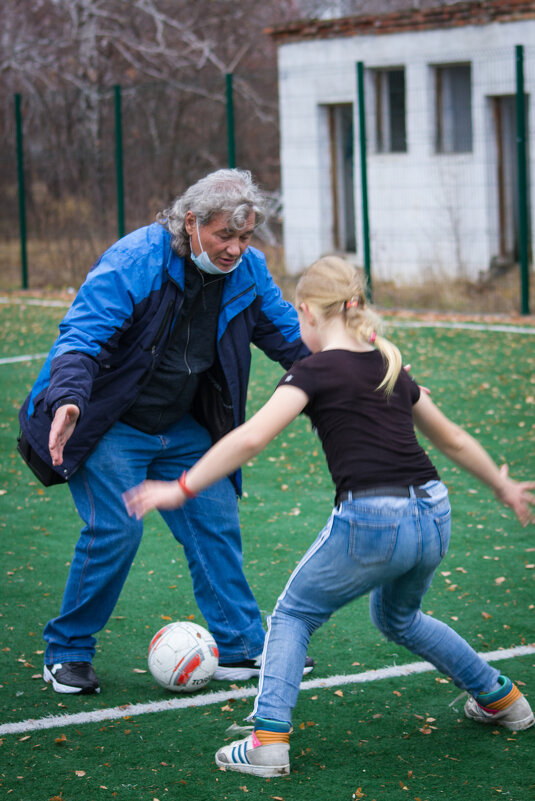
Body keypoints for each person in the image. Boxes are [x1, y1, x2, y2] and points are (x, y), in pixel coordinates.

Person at [124, 255, 535, 777]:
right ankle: (503, 699)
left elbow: (251, 437)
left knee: (293, 615)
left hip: (374, 518)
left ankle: (267, 742)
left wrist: (181, 486)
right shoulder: (387, 362)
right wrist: (501, 485)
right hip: (434, 512)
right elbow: (450, 438)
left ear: (308, 313)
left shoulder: (312, 370)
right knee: (399, 618)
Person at [17, 168, 314, 695]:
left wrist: (364, 378)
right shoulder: (134, 260)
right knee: (116, 529)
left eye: (245, 238)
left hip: (182, 425)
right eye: (225, 235)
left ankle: (242, 648)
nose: (235, 250)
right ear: (192, 222)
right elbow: (82, 336)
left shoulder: (250, 271)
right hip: (109, 421)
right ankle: (67, 652)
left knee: (215, 519)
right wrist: (67, 401)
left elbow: (290, 340)